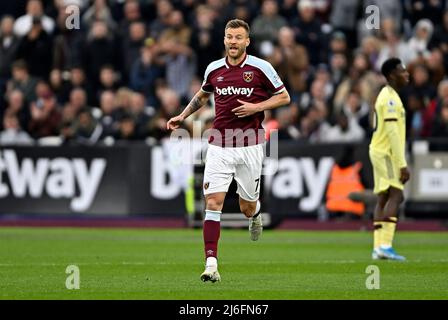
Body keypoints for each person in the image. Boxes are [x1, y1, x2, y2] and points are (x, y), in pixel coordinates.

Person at [167, 19, 290, 282]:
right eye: (229, 37)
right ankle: (211, 264)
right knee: (213, 202)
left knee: (246, 206)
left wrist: (256, 108)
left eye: (238, 37)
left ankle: (255, 215)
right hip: (219, 145)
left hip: (250, 145)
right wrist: (182, 115)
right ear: (224, 40)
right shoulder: (214, 69)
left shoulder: (261, 68)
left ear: (247, 41)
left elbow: (284, 96)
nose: (233, 42)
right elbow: (202, 95)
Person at [369, 57, 410, 261]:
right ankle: (386, 245)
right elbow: (393, 133)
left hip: (378, 149)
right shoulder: (391, 98)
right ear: (392, 74)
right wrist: (402, 165)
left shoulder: (387, 94)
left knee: (384, 196)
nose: (407, 74)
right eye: (403, 71)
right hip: (386, 152)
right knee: (397, 195)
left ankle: (378, 247)